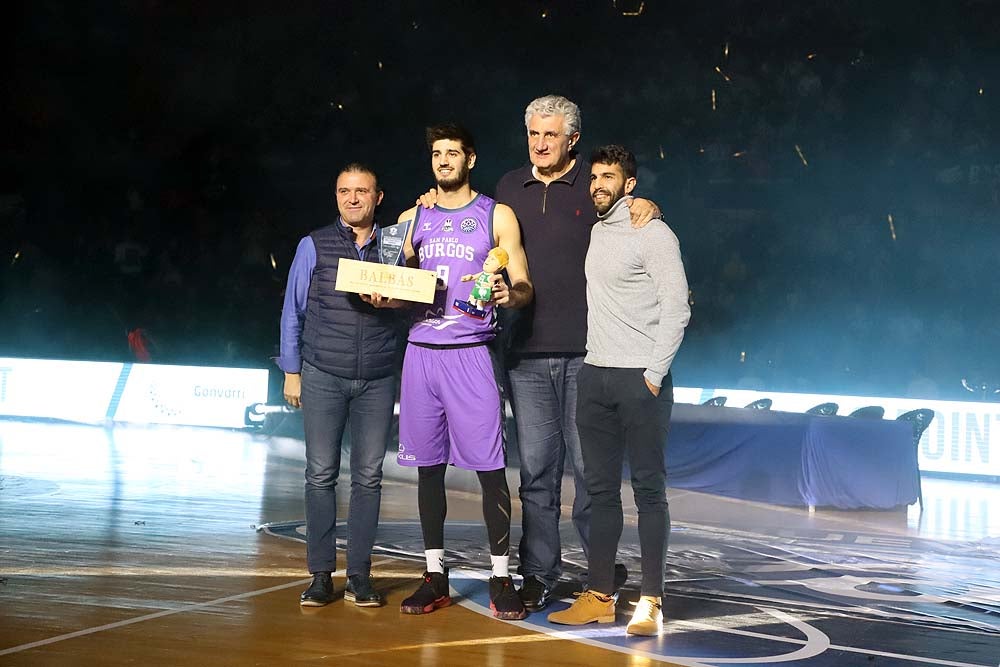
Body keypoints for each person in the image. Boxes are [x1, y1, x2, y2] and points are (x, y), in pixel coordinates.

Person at [494, 95, 661, 611]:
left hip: (591, 356)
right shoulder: (506, 187)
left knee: (594, 476)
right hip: (525, 353)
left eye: (551, 135)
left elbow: (627, 205)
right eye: (533, 134)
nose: (540, 144)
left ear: (573, 140)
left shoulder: (592, 184)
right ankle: (539, 574)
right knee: (537, 474)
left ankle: (599, 575)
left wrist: (647, 205)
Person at [391, 123, 533, 620]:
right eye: (436, 153)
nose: (443, 160)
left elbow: (522, 285)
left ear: (470, 159)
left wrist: (507, 295)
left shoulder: (497, 214)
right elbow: (392, 277)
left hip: (472, 353)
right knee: (427, 468)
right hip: (421, 351)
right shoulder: (415, 215)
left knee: (490, 469)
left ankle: (500, 575)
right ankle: (435, 575)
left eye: (452, 153)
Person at [547, 145, 689, 636]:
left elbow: (678, 308)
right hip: (595, 374)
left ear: (630, 185)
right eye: (595, 177)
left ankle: (651, 600)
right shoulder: (594, 231)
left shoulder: (653, 233)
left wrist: (653, 373)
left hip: (640, 378)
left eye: (610, 177)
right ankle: (600, 595)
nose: (598, 184)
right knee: (600, 492)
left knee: (649, 491)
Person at [278, 163, 402, 608]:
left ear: (378, 197)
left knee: (369, 478)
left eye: (361, 191)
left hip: (377, 377)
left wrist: (396, 300)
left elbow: (412, 302)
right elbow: (292, 310)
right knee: (320, 474)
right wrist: (292, 370)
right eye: (343, 191)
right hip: (323, 374)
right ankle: (319, 576)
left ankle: (361, 577)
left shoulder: (394, 244)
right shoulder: (313, 245)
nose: (352, 199)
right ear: (335, 196)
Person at [454, 247, 509, 317]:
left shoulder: (492, 276)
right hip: (477, 288)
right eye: (488, 257)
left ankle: (479, 310)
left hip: (484, 291)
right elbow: (474, 277)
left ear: (500, 267)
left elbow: (492, 283)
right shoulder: (483, 273)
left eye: (492, 259)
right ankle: (471, 304)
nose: (488, 260)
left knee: (480, 300)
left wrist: (488, 285)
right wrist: (469, 277)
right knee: (472, 295)